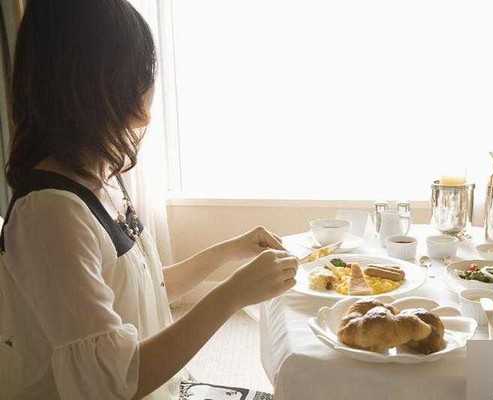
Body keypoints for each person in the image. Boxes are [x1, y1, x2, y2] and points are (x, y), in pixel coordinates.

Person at [0, 1, 298, 399]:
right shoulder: (50, 214)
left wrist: (230, 251)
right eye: (141, 71)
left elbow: (146, 288)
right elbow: (117, 381)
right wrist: (232, 295)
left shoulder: (100, 177)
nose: (150, 85)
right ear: (97, 84)